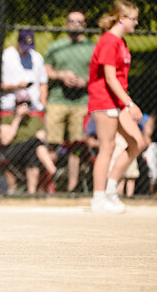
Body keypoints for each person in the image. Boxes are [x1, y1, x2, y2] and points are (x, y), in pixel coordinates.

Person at [88, 0, 147, 213]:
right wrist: (130, 104)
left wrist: (126, 103)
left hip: (117, 101)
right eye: (133, 19)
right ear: (122, 18)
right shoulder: (109, 41)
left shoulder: (121, 42)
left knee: (137, 142)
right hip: (104, 99)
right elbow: (110, 79)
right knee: (108, 147)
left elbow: (119, 80)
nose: (136, 23)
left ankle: (111, 189)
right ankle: (98, 197)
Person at [44, 11, 95, 193]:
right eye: (71, 21)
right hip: (57, 100)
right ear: (66, 23)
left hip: (81, 102)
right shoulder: (56, 46)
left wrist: (85, 81)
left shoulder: (91, 47)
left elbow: (98, 74)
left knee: (77, 145)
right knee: (51, 143)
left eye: (79, 21)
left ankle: (72, 188)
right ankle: (49, 187)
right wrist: (61, 75)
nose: (75, 24)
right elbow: (46, 70)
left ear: (84, 24)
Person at [0, 90, 58, 195]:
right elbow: (5, 140)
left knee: (33, 154)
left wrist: (39, 139)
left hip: (32, 153)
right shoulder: (8, 119)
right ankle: (53, 171)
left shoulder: (36, 120)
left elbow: (43, 139)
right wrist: (18, 118)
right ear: (16, 104)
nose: (24, 106)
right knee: (35, 141)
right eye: (21, 103)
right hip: (13, 152)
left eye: (27, 103)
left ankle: (31, 194)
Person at [0, 30, 48, 112]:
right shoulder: (4, 57)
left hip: (34, 109)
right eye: (24, 47)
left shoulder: (37, 57)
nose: (26, 51)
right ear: (18, 42)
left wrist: (43, 105)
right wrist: (16, 86)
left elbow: (43, 83)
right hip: (9, 108)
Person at [143, 110, 157, 195]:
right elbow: (147, 132)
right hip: (155, 146)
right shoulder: (155, 115)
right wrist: (151, 147)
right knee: (155, 175)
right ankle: (152, 195)